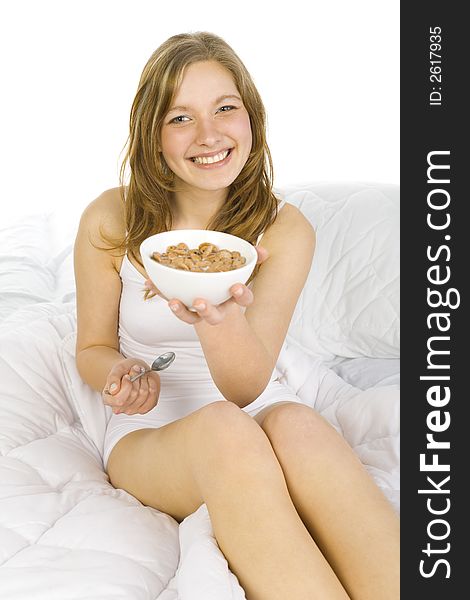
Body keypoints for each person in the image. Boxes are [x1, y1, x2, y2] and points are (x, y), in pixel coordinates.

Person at [74, 31, 399, 600]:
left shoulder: (283, 229)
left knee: (298, 422)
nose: (209, 135)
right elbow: (92, 348)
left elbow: (248, 386)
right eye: (180, 117)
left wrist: (219, 322)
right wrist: (119, 376)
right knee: (225, 432)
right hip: (152, 434)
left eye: (226, 108)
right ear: (152, 136)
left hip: (255, 404)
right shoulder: (112, 218)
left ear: (251, 120)